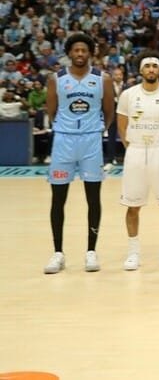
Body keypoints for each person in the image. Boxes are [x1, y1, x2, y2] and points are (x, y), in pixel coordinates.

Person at [43, 33, 115, 274]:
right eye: (76, 51)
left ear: (90, 53)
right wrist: (67, 128)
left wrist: (94, 130)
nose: (80, 54)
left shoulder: (102, 79)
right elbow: (51, 111)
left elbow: (109, 112)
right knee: (58, 198)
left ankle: (91, 252)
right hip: (64, 141)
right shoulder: (56, 79)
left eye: (84, 50)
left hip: (91, 141)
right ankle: (58, 253)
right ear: (69, 53)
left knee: (93, 198)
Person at [116, 51, 159, 270]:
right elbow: (121, 125)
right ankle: (133, 253)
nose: (151, 70)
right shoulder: (128, 95)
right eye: (147, 66)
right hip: (135, 151)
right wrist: (133, 147)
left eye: (155, 66)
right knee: (132, 205)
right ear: (140, 70)